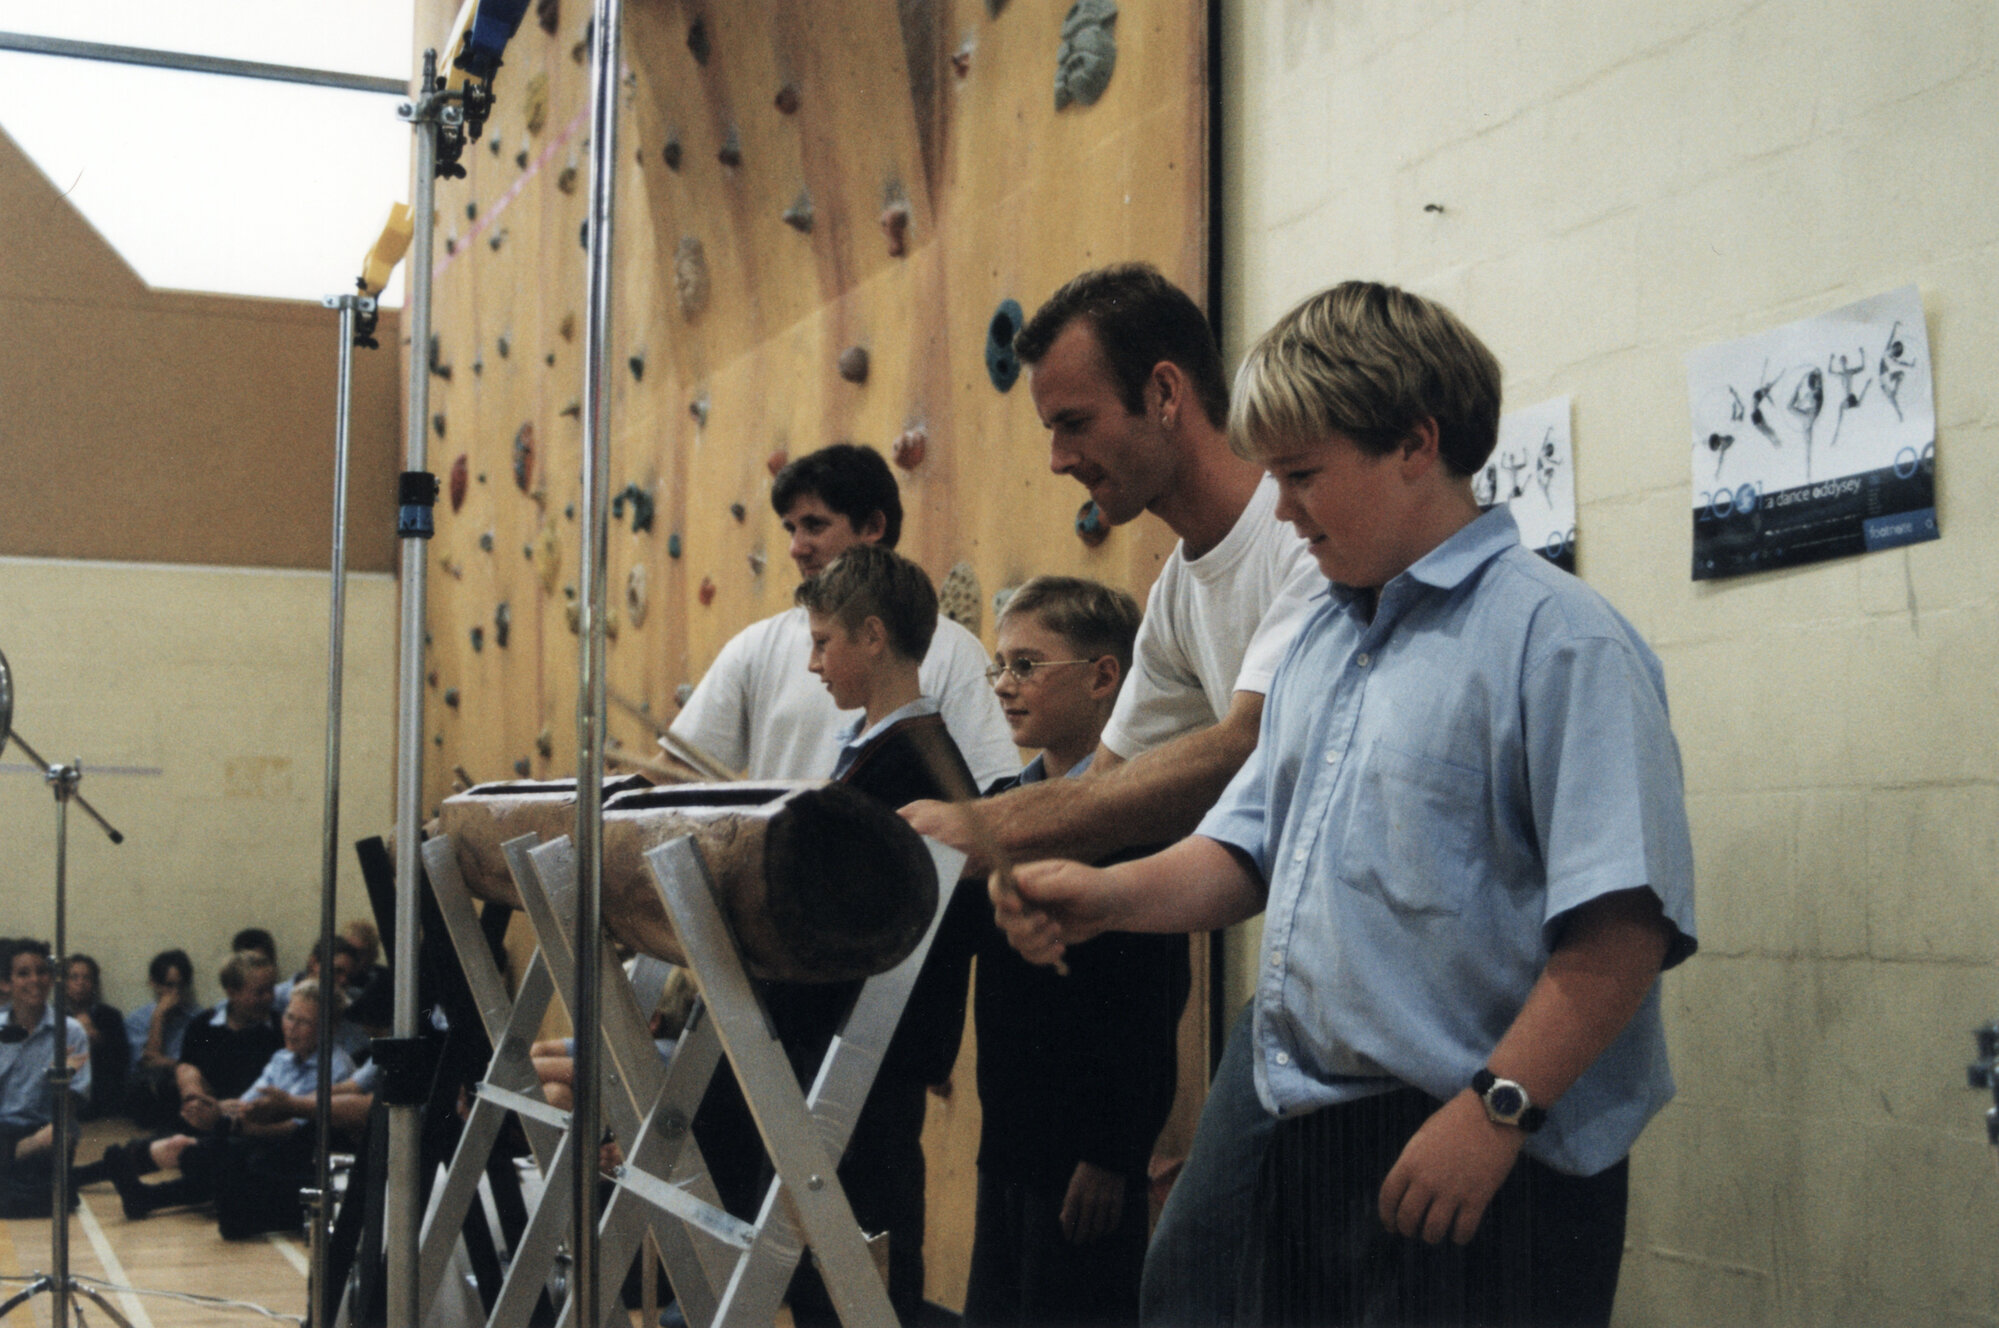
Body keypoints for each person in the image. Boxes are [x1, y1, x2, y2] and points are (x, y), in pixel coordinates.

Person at [995, 280, 1699, 1326]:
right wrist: (1104, 894)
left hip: (1484, 1142)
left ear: (1416, 443)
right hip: (1318, 1130)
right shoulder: (1327, 639)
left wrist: (1498, 1107)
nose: (1281, 508)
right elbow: (1245, 850)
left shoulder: (1559, 641)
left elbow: (1622, 929)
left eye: (1305, 474)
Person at [900, 263, 1321, 1323]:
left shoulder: (1302, 540)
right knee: (1186, 1283)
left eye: (1074, 420)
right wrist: (1031, 866)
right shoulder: (1181, 587)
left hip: (1413, 1007)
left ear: (1167, 394)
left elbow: (1241, 746)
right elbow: (1121, 792)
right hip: (1308, 997)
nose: (1055, 457)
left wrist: (985, 824)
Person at [958, 576, 1189, 1327]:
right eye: (999, 665)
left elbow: (1152, 1001)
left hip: (1086, 1151)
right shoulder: (1001, 805)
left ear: (1102, 677)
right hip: (1009, 1132)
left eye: (1026, 665)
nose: (1003, 685)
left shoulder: (1139, 819)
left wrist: (1113, 1151)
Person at [764, 543, 980, 1324]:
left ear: (873, 636)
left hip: (870, 1044)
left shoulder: (912, 764)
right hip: (848, 1042)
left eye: (824, 643)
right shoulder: (876, 752)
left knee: (867, 1258)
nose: (814, 664)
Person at [667, 442, 1018, 790]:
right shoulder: (755, 646)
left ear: (873, 526)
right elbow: (677, 770)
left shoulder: (955, 650)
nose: (796, 548)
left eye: (814, 526)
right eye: (791, 529)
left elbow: (990, 794)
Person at [109, 979, 357, 1237]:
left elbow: (294, 1130)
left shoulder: (336, 1067)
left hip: (302, 1151)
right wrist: (215, 1110)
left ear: (329, 1027)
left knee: (216, 1156)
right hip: (262, 1137)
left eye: (302, 1022)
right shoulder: (282, 1058)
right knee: (200, 1152)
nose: (291, 1028)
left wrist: (233, 1124)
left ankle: (147, 1196)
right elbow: (245, 1103)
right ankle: (145, 1197)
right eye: (289, 1017)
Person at [0, 941, 91, 1218]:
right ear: (6, 983)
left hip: (43, 1130)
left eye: (41, 972)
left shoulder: (70, 1031)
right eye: (23, 974)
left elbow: (71, 1105)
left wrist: (59, 1079)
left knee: (59, 1138)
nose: (35, 981)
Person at [123, 947, 196, 1129]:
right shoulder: (137, 1019)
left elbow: (196, 1065)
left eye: (181, 985)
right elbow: (147, 1063)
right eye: (169, 985)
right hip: (150, 1090)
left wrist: (168, 1063)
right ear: (154, 983)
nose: (175, 993)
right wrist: (158, 1017)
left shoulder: (197, 1017)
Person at [64, 954, 129, 1120]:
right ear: (64, 983)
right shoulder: (54, 1016)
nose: (80, 983)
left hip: (100, 1093)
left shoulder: (110, 1016)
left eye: (86, 977)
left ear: (94, 983)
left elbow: (121, 1061)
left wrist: (95, 1037)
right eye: (74, 977)